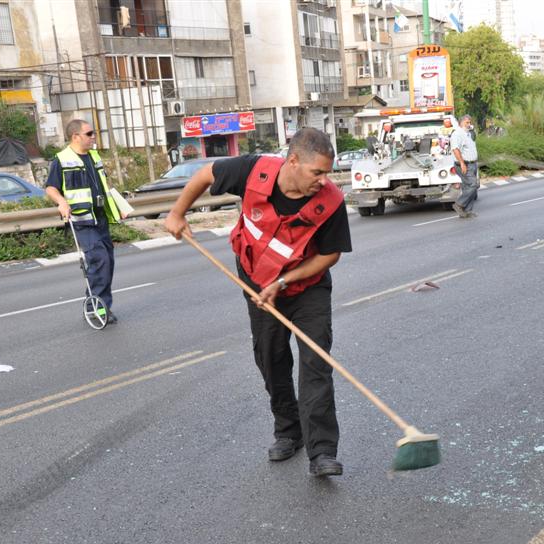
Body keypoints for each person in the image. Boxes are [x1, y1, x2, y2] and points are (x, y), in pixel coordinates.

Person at [164, 128, 352, 476]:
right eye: (317, 172)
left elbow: (330, 255)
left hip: (305, 288)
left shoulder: (330, 201)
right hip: (256, 282)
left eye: (327, 173)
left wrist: (284, 281)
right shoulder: (254, 171)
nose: (324, 180)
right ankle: (288, 431)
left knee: (316, 363)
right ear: (293, 161)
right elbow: (206, 174)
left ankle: (322, 451)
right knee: (271, 359)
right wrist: (177, 213)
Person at [45, 118, 124, 324]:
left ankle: (102, 305)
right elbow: (51, 187)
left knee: (108, 262)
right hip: (81, 221)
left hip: (100, 218)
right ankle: (95, 308)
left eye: (93, 133)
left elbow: (104, 185)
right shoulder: (61, 160)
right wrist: (61, 202)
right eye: (89, 134)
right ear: (75, 136)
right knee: (99, 260)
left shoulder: (94, 156)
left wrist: (119, 206)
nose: (93, 137)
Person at [450, 114, 479, 218]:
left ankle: (467, 211)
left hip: (472, 164)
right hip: (464, 164)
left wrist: (471, 129)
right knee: (473, 185)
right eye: (467, 122)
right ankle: (459, 204)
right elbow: (455, 149)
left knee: (469, 187)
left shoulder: (468, 133)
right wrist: (462, 163)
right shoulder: (457, 134)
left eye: (470, 122)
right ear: (460, 123)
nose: (469, 124)